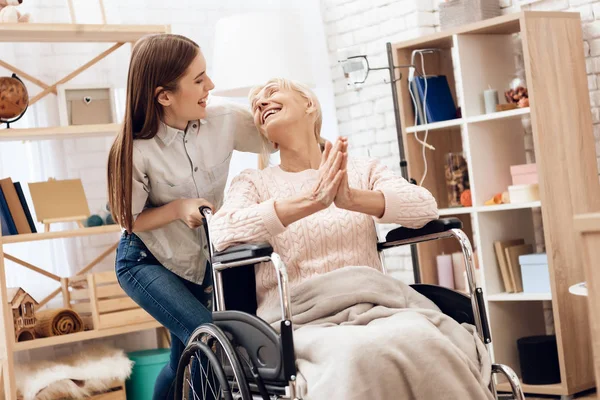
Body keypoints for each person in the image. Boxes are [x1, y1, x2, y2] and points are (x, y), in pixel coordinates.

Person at [209, 78, 494, 399]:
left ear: (308, 104)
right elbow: (222, 232)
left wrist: (352, 199)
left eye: (271, 93)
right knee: (356, 355)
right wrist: (310, 203)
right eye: (256, 103)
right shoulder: (255, 182)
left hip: (377, 306)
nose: (261, 103)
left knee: (425, 341)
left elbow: (424, 207)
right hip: (302, 320)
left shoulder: (360, 169)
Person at [106, 34, 266, 399]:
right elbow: (130, 220)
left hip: (199, 262)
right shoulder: (133, 149)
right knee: (210, 339)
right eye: (198, 80)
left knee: (181, 362)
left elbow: (276, 139)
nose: (210, 86)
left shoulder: (223, 119)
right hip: (146, 261)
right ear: (164, 95)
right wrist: (178, 209)